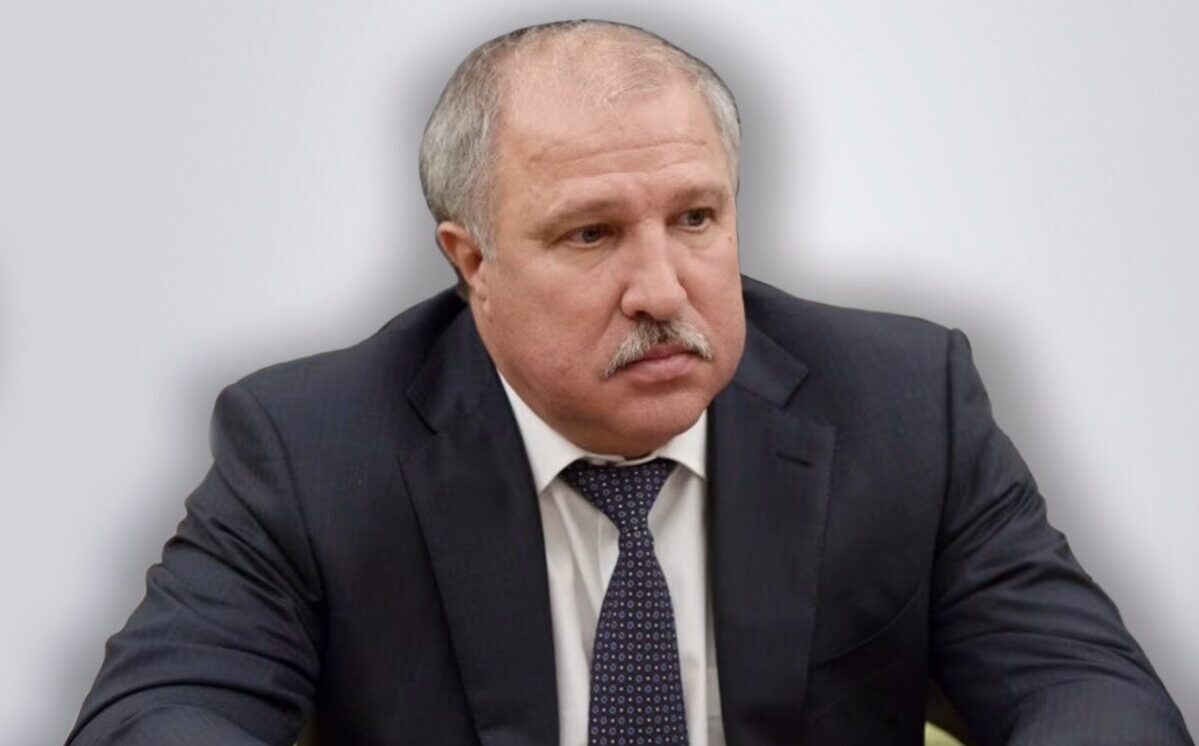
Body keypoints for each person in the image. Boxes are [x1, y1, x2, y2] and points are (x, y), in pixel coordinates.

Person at [65, 19, 1192, 746]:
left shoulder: (902, 406)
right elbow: (166, 711)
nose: (662, 288)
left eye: (695, 218)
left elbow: (1086, 693)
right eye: (590, 234)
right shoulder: (313, 446)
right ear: (471, 263)